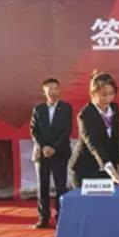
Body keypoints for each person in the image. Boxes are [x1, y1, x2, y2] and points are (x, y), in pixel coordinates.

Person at [69, 71, 119, 188]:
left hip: (107, 168)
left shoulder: (114, 108)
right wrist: (113, 174)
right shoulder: (85, 115)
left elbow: (115, 138)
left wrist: (118, 164)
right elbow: (94, 145)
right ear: (93, 94)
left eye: (111, 94)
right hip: (85, 169)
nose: (108, 98)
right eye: (104, 94)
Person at [29, 78, 72, 229]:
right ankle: (43, 217)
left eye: (55, 88)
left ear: (59, 90)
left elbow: (67, 130)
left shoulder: (66, 108)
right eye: (49, 89)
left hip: (59, 152)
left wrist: (53, 148)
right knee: (43, 187)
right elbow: (34, 131)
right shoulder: (38, 109)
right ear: (44, 91)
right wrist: (44, 147)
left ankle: (61, 217)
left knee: (61, 186)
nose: (53, 92)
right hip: (41, 154)